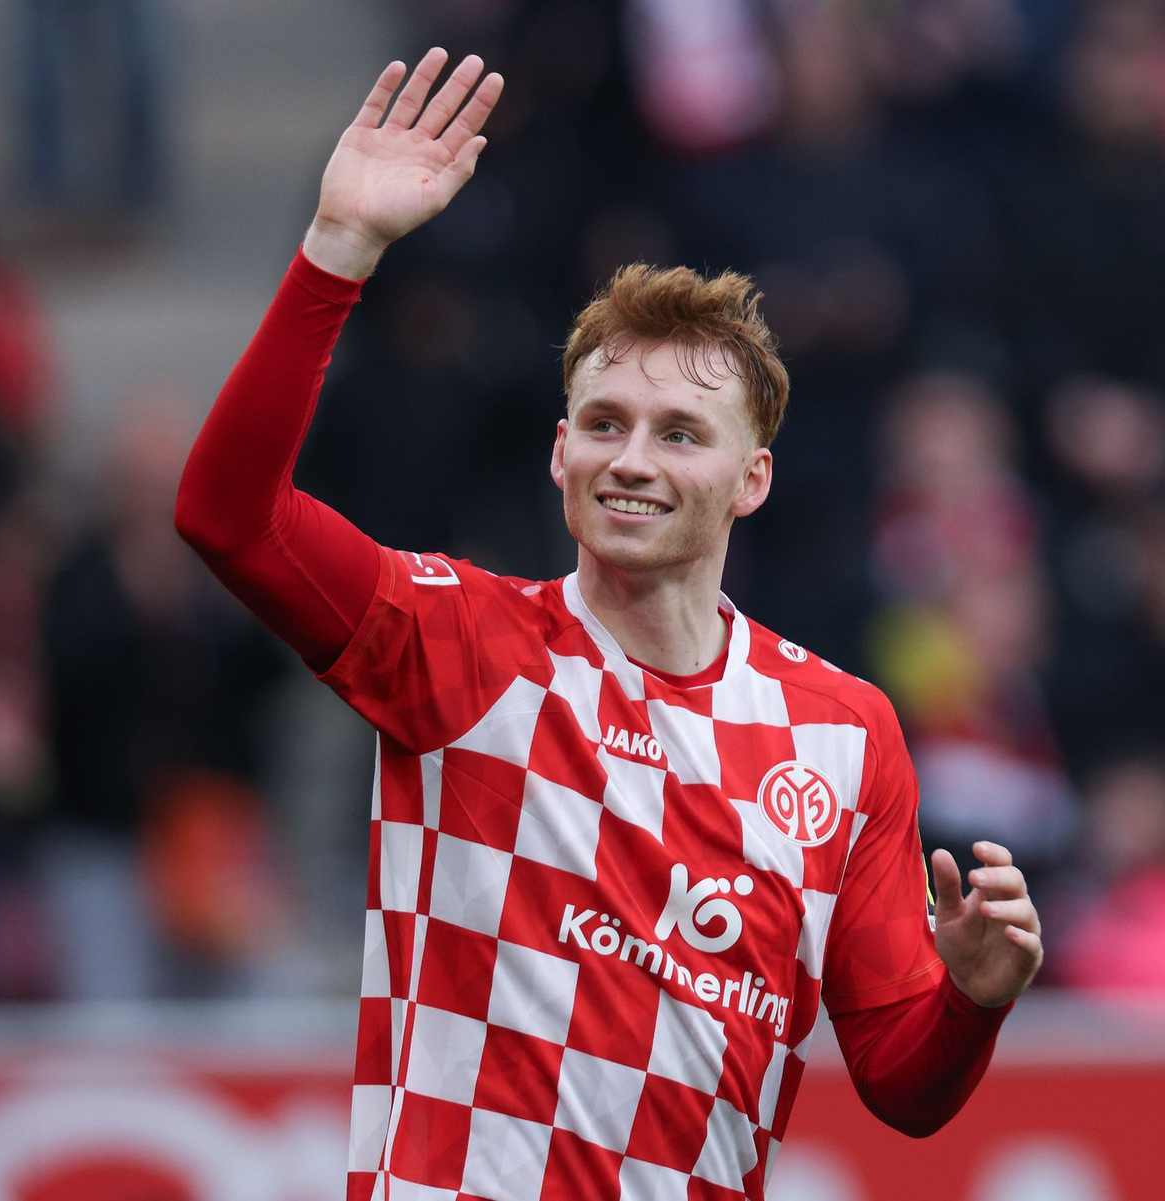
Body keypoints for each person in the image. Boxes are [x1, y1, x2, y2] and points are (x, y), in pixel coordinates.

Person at [175, 49, 1043, 1201]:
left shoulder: (843, 733)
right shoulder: (460, 643)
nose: (631, 457)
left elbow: (901, 1082)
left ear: (753, 480)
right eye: (603, 421)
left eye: (680, 432)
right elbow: (228, 519)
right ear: (558, 452)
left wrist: (973, 998)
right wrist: (341, 250)